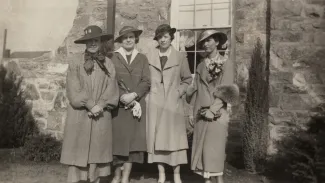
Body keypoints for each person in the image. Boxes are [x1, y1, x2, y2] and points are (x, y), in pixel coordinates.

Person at [60, 25, 119, 183]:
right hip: (80, 115)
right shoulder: (75, 62)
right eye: (89, 41)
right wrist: (90, 105)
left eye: (96, 40)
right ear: (85, 43)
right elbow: (74, 89)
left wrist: (100, 105)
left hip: (101, 115)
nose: (93, 43)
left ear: (100, 42)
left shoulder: (108, 64)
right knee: (78, 153)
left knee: (97, 153)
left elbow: (112, 87)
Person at [186, 29, 239, 183]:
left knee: (214, 155)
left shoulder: (226, 64)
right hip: (200, 114)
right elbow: (196, 90)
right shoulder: (201, 65)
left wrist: (212, 110)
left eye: (209, 40)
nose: (206, 44)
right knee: (203, 158)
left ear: (217, 42)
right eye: (203, 41)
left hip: (217, 115)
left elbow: (226, 90)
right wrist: (191, 112)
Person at [146, 24, 192, 183]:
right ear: (157, 39)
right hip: (155, 103)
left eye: (165, 36)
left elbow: (187, 79)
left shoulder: (180, 57)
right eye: (160, 37)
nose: (163, 39)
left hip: (173, 104)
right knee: (157, 139)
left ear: (171, 38)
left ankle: (177, 175)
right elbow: (145, 79)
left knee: (175, 139)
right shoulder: (150, 56)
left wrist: (179, 92)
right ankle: (161, 175)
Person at [110, 26, 151, 183]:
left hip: (136, 107)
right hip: (118, 108)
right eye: (125, 37)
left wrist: (134, 95)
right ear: (120, 40)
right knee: (118, 143)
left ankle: (126, 177)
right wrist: (122, 96)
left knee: (133, 145)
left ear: (135, 39)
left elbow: (146, 80)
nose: (128, 40)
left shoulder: (142, 59)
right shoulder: (113, 58)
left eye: (131, 37)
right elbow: (110, 81)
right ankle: (116, 176)